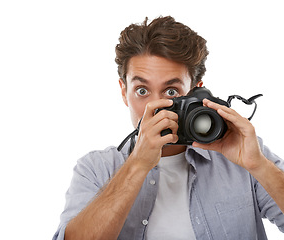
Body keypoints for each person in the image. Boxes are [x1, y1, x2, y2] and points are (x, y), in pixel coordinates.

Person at [53, 16, 284, 240]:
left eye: (171, 91)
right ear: (124, 92)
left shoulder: (243, 154)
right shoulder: (95, 169)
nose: (156, 107)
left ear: (195, 91)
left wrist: (259, 165)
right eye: (142, 90)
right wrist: (137, 165)